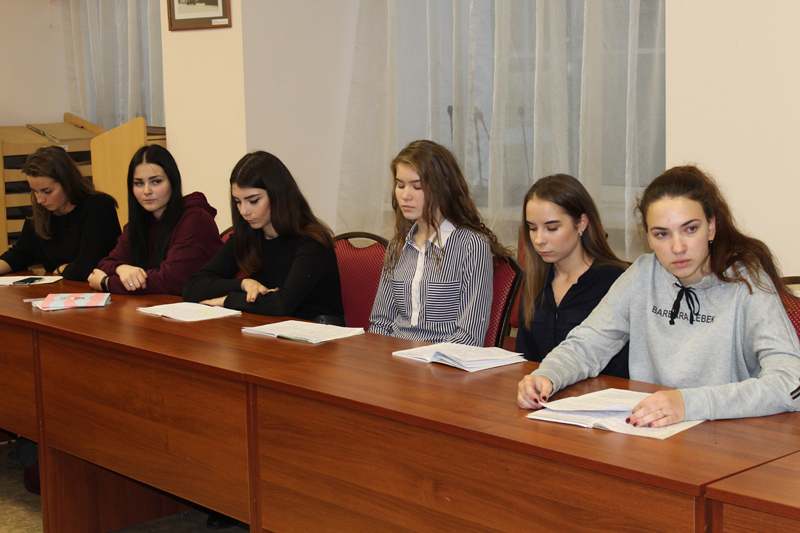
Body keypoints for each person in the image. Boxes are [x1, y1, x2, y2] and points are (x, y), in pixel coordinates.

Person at [518, 165, 800, 427]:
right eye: (662, 234)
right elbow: (587, 344)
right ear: (648, 237)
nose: (678, 247)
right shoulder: (643, 274)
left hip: (726, 433)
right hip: (653, 431)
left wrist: (689, 403)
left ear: (712, 226)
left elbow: (791, 382)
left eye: (690, 229)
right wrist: (547, 375)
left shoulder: (747, 281)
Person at [368, 140, 509, 347]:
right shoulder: (397, 246)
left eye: (417, 186)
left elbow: (469, 337)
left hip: (442, 359)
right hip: (394, 356)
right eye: (400, 185)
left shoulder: (471, 245)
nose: (405, 195)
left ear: (442, 188)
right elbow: (381, 323)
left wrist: (421, 359)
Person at [183, 150, 344, 323]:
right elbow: (192, 288)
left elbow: (282, 304)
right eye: (238, 202)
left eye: (253, 201)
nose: (244, 211)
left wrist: (227, 301)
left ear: (278, 195)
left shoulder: (312, 242)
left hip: (318, 331)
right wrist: (244, 284)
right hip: (268, 329)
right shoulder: (246, 237)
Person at [516, 174, 630, 378]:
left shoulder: (616, 281)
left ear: (581, 223)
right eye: (532, 228)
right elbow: (526, 358)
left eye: (552, 228)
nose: (539, 239)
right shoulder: (535, 280)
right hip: (541, 389)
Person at [88, 145, 223, 295]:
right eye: (139, 183)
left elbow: (169, 281)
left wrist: (107, 283)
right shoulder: (141, 221)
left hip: (204, 306)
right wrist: (121, 268)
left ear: (173, 182)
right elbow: (104, 265)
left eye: (156, 181)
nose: (147, 191)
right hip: (158, 305)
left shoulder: (195, 218)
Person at [0, 146, 120, 280]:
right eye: (34, 191)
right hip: (61, 289)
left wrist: (63, 270)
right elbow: (20, 254)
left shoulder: (99, 206)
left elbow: (88, 266)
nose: (39, 199)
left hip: (96, 289)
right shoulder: (41, 211)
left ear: (68, 182)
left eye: (47, 191)